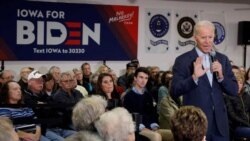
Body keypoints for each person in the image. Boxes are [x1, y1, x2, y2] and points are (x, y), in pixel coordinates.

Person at [171, 20, 238, 141]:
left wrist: (222, 77)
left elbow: (234, 90)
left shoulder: (222, 59)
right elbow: (174, 90)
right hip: (195, 126)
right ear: (195, 37)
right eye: (203, 37)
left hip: (220, 127)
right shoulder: (183, 60)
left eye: (210, 37)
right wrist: (194, 77)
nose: (208, 41)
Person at [123, 67, 173, 141]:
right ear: (135, 78)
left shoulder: (148, 95)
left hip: (151, 127)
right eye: (141, 77)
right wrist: (144, 128)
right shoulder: (128, 96)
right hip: (137, 129)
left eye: (146, 78)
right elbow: (131, 118)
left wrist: (154, 125)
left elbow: (152, 114)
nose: (143, 81)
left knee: (174, 135)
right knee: (156, 137)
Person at [224, 73, 250, 139]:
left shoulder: (246, 96)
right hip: (236, 127)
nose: (239, 85)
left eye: (241, 83)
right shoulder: (228, 96)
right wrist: (246, 123)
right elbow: (233, 116)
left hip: (246, 124)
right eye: (237, 82)